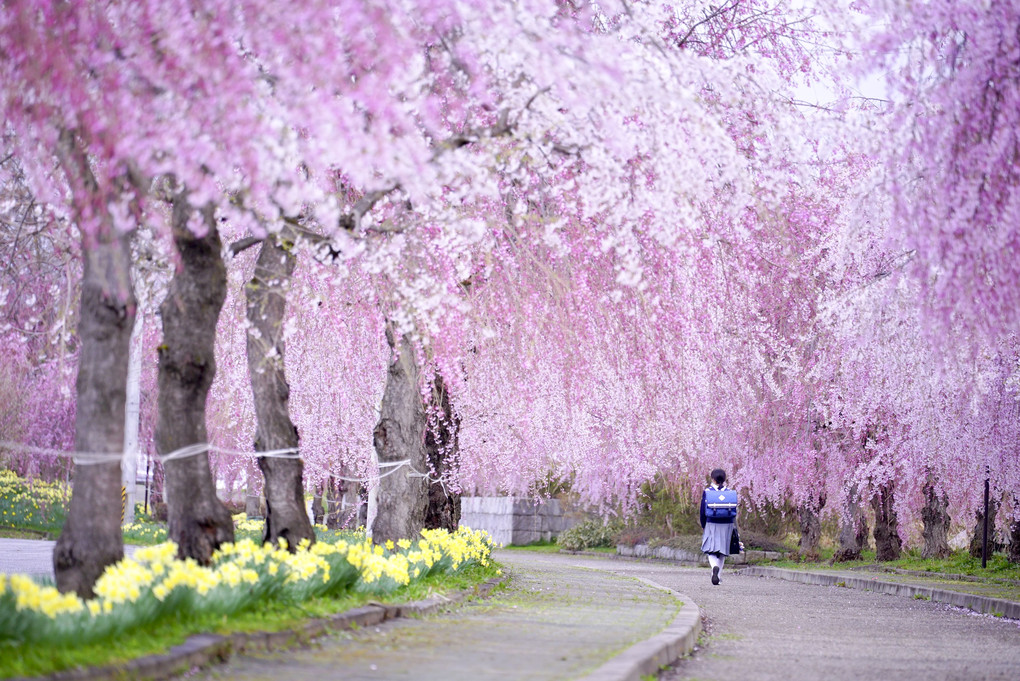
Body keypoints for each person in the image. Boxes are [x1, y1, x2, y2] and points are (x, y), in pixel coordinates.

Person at [700, 468, 739, 585]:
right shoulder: (729, 492)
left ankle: (714, 568)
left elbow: (702, 511)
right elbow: (734, 511)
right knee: (722, 551)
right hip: (727, 524)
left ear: (712, 479)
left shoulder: (708, 491)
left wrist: (704, 525)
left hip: (712, 523)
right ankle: (718, 575)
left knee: (711, 551)